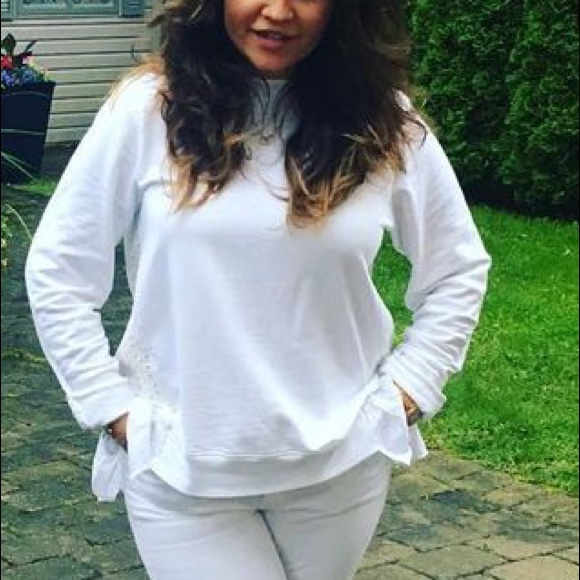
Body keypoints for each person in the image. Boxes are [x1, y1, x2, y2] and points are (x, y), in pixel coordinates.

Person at [25, 0, 491, 578]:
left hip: (340, 469)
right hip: (182, 469)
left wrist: (411, 388)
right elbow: (59, 269)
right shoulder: (148, 112)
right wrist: (109, 405)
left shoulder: (382, 122)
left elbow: (457, 269)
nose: (278, 11)